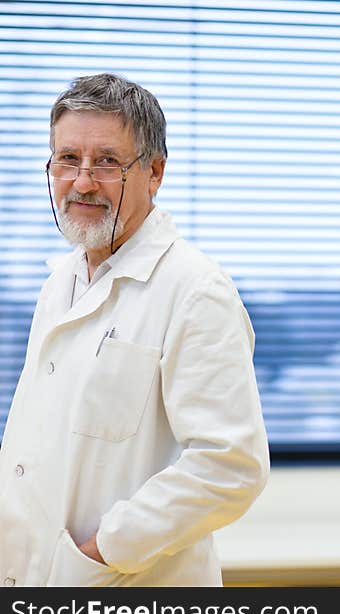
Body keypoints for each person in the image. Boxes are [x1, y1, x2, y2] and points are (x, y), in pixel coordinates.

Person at [0, 73, 270, 586]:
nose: (82, 182)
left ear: (155, 172)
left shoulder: (194, 290)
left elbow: (231, 465)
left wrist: (104, 551)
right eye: (67, 159)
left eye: (107, 162)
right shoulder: (58, 284)